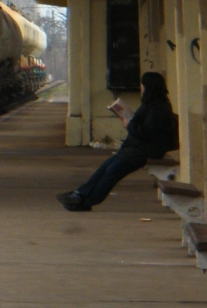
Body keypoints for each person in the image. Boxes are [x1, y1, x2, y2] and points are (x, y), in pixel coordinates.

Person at [57, 71, 178, 212]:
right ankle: (80, 194)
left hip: (146, 150)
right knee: (106, 167)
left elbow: (146, 132)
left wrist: (130, 124)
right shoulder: (152, 104)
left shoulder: (157, 108)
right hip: (138, 148)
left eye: (143, 85)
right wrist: (129, 120)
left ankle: (88, 201)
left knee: (112, 171)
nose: (141, 88)